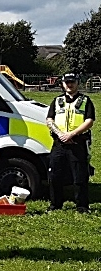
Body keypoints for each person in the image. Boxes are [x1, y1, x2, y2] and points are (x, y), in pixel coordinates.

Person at [46, 73, 95, 213]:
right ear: (62, 83)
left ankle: (82, 206)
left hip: (77, 143)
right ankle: (55, 205)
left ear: (77, 83)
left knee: (80, 176)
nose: (69, 85)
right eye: (66, 82)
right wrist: (60, 134)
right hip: (59, 143)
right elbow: (49, 120)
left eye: (72, 82)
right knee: (55, 175)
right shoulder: (57, 100)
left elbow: (89, 121)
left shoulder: (85, 100)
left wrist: (72, 134)